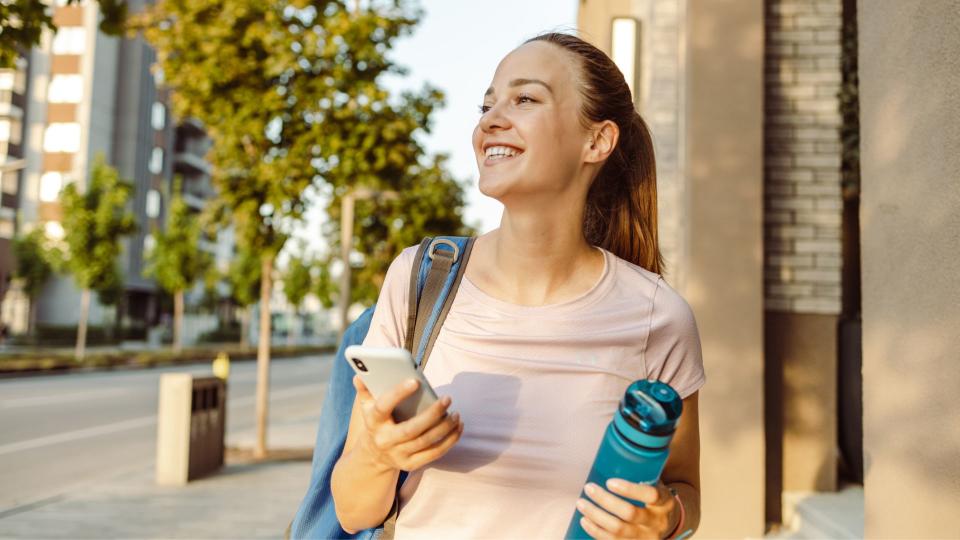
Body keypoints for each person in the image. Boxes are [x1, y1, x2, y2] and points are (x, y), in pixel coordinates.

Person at [331, 32, 705, 539]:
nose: (490, 120)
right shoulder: (418, 278)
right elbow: (354, 513)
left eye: (524, 99)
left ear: (596, 140)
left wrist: (666, 519)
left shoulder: (658, 316)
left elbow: (684, 490)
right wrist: (378, 456)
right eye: (486, 105)